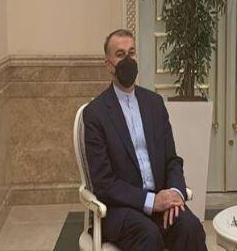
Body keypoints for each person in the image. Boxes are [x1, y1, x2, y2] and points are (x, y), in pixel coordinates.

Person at [83, 29, 207, 251]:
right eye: (120, 54)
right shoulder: (96, 113)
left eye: (131, 53)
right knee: (148, 235)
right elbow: (103, 183)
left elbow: (172, 160)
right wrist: (151, 202)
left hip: (161, 199)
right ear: (108, 64)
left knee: (191, 227)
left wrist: (175, 194)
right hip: (121, 209)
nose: (127, 60)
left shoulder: (154, 103)